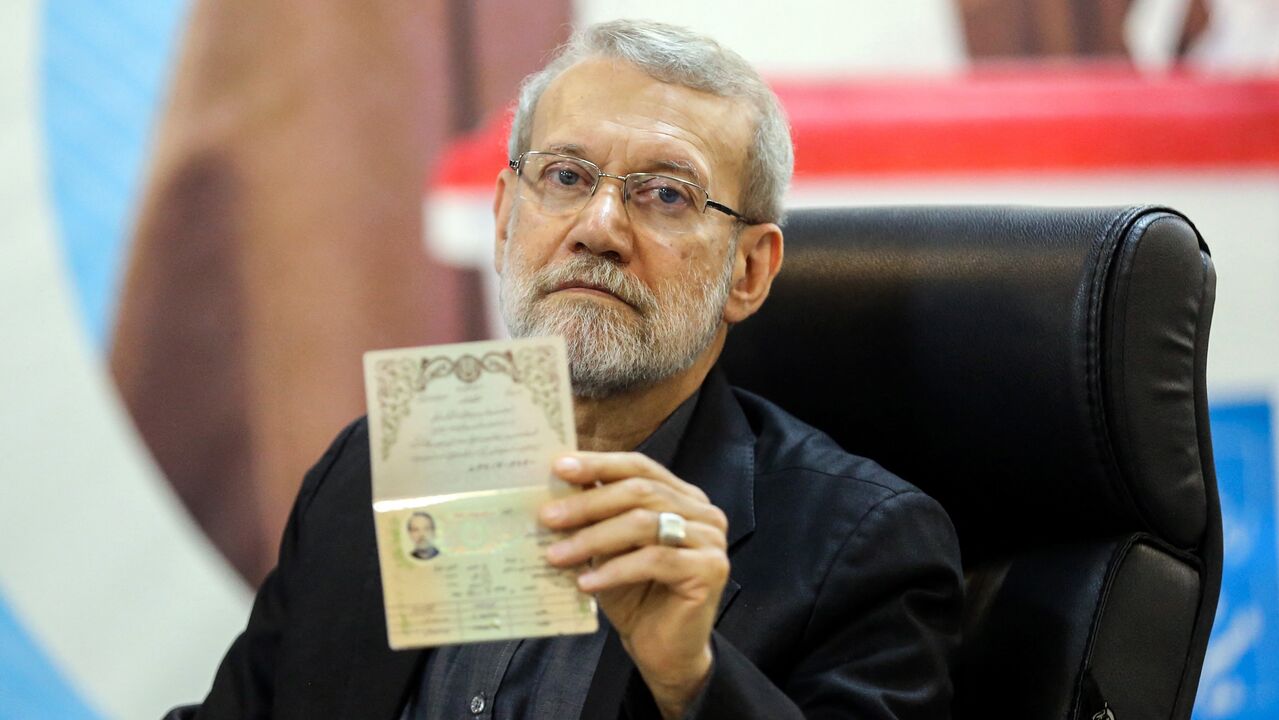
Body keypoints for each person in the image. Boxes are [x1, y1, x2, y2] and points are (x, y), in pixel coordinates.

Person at [173, 19, 962, 720]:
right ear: (505, 218)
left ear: (750, 272)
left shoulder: (864, 549)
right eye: (565, 178)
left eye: (664, 194)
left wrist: (694, 682)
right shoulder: (367, 477)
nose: (600, 227)